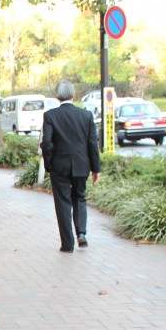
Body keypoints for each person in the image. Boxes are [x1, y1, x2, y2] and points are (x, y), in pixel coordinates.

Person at [40, 81, 100, 253]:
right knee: (80, 197)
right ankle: (81, 233)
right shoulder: (86, 115)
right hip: (82, 164)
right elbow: (92, 144)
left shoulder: (50, 115)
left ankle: (67, 244)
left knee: (63, 203)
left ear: (57, 96)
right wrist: (96, 169)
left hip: (59, 166)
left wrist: (48, 164)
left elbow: (47, 144)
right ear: (73, 94)